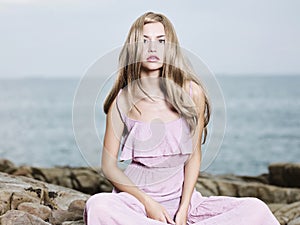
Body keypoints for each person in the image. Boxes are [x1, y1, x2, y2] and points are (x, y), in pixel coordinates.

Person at [84, 11, 279, 225]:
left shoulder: (192, 92)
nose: (152, 48)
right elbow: (109, 167)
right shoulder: (122, 100)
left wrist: (184, 208)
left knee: (256, 209)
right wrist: (148, 203)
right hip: (136, 203)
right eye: (144, 41)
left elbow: (194, 155)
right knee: (98, 205)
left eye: (161, 41)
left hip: (183, 201)